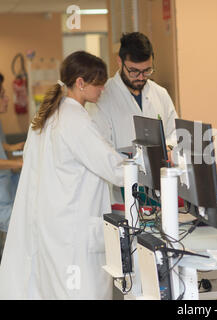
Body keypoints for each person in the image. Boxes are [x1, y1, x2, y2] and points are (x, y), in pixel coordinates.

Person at [0, 51, 125, 299]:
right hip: (72, 234)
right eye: (98, 83)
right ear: (81, 83)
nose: (102, 89)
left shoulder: (48, 115)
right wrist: (147, 166)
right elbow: (114, 168)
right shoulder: (74, 120)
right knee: (78, 293)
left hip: (54, 228)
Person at [87, 32, 178, 203]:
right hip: (120, 194)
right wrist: (138, 162)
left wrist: (169, 147)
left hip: (158, 189)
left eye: (147, 71)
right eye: (134, 71)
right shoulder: (102, 98)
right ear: (120, 62)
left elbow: (174, 133)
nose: (141, 77)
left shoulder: (160, 94)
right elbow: (101, 151)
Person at [0, 74, 23, 235]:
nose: (7, 99)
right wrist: (20, 163)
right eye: (2, 95)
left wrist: (14, 147)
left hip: (7, 192)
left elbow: (2, 145)